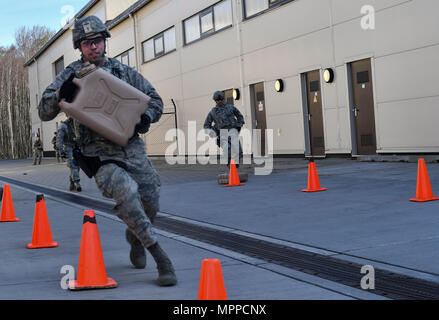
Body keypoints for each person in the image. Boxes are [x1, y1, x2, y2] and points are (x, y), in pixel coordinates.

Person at [37, 16, 176, 287]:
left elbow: (155, 100)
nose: (94, 47)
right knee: (127, 194)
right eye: (87, 43)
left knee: (151, 200)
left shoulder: (123, 72)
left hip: (131, 148)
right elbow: (44, 111)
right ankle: (161, 257)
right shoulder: (71, 74)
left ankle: (135, 237)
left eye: (98, 41)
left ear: (104, 42)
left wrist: (145, 117)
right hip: (98, 155)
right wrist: (59, 95)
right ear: (80, 46)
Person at [204, 91, 245, 167]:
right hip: (222, 133)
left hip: (233, 131)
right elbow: (206, 125)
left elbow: (239, 116)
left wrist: (239, 124)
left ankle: (235, 164)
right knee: (227, 149)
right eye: (217, 100)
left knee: (238, 150)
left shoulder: (230, 107)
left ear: (223, 99)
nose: (219, 102)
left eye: (220, 100)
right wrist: (212, 132)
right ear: (215, 101)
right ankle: (231, 166)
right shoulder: (213, 112)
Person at [57, 118, 82, 192]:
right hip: (68, 148)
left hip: (76, 148)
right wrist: (61, 151)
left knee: (77, 167)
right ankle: (77, 183)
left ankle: (72, 182)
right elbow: (59, 139)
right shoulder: (63, 126)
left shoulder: (77, 124)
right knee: (73, 166)